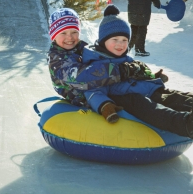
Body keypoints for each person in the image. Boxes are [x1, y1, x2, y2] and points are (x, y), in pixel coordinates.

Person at [47, 7, 193, 138]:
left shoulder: (84, 49)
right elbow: (84, 79)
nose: (70, 37)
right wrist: (105, 101)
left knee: (167, 95)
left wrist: (145, 75)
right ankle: (186, 124)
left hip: (120, 86)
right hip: (95, 95)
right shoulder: (58, 60)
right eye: (63, 33)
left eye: (74, 32)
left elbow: (120, 61)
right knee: (145, 106)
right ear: (53, 35)